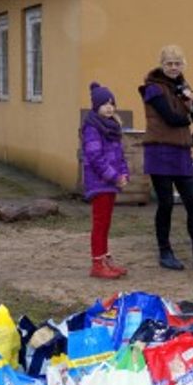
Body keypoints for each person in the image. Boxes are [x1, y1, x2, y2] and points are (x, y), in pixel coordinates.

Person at [137, 44, 193, 272]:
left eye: (177, 63)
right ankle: (165, 252)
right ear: (161, 64)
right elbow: (172, 118)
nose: (173, 68)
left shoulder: (184, 88)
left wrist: (191, 104)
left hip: (182, 152)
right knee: (165, 203)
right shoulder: (152, 88)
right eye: (169, 64)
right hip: (159, 150)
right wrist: (188, 108)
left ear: (183, 64)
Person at [82, 81, 130, 279]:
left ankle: (106, 259)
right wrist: (114, 176)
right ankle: (97, 263)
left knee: (106, 223)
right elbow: (96, 158)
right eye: (105, 104)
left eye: (112, 103)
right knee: (100, 223)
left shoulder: (112, 126)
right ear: (96, 106)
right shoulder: (92, 128)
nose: (109, 107)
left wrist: (124, 174)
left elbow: (120, 155)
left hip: (111, 184)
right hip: (100, 183)